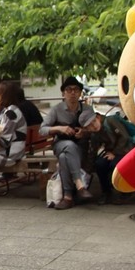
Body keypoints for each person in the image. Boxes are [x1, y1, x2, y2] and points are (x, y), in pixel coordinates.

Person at [40, 76, 98, 210]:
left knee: (64, 157)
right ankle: (80, 185)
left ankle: (68, 197)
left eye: (76, 90)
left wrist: (83, 132)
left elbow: (95, 129)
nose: (72, 93)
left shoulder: (87, 109)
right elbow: (42, 130)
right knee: (68, 147)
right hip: (60, 144)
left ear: (80, 93)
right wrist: (60, 128)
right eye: (69, 90)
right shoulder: (56, 109)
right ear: (63, 93)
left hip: (81, 147)